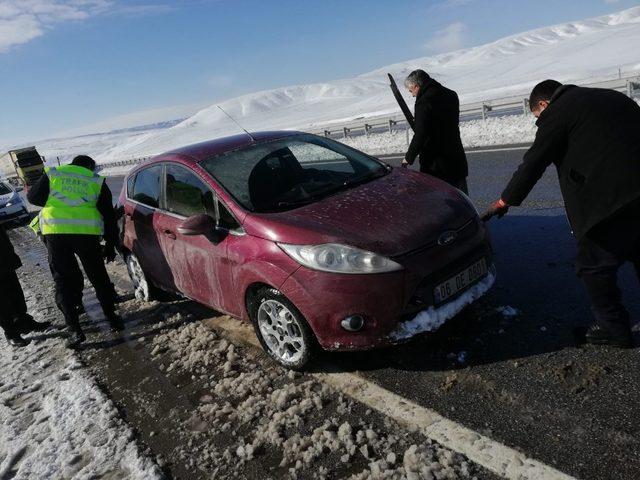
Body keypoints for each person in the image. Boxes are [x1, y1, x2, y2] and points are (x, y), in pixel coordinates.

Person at [482, 79, 640, 348]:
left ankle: (613, 328)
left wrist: (505, 200)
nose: (539, 121)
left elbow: (534, 161)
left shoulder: (558, 111)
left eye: (537, 116)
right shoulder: (610, 97)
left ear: (543, 104)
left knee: (594, 265)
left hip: (607, 201)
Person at [27, 155, 123, 347]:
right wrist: (111, 245)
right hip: (86, 234)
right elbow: (108, 216)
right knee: (98, 277)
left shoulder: (54, 174)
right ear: (89, 166)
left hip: (56, 233)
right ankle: (112, 320)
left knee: (63, 280)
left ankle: (74, 330)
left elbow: (33, 197)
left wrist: (56, 202)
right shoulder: (95, 180)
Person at [402, 69, 469, 193]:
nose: (412, 95)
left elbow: (421, 134)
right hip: (456, 156)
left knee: (439, 202)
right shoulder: (451, 94)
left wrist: (408, 158)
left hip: (436, 164)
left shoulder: (424, 102)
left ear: (417, 86)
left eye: (411, 91)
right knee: (462, 200)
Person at [0, 224, 50, 347]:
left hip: (3, 255)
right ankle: (11, 333)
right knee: (2, 302)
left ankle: (24, 321)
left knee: (15, 292)